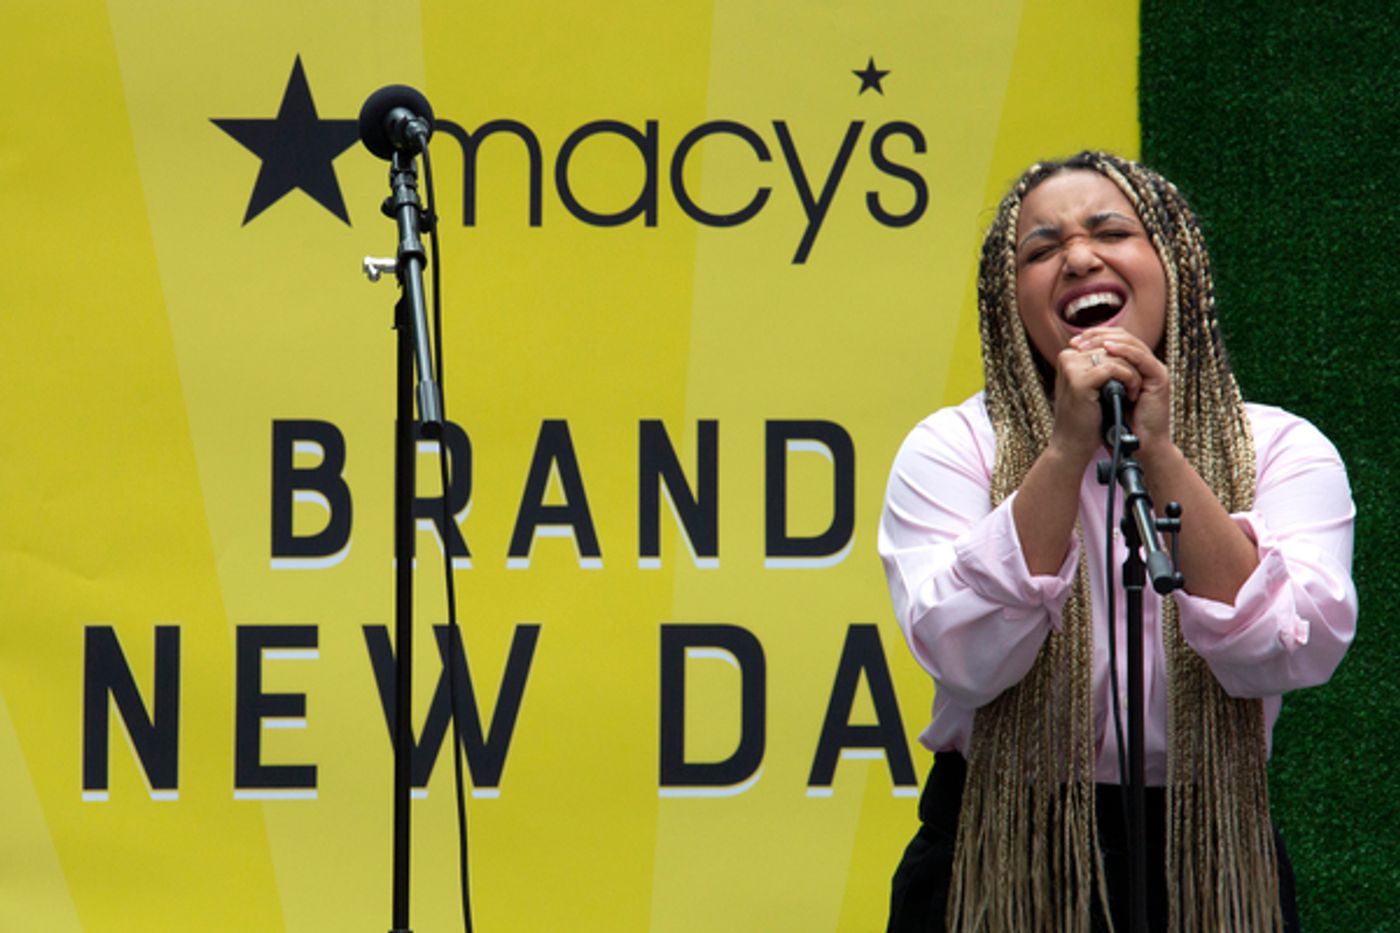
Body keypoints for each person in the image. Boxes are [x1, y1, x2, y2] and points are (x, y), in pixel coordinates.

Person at [878, 151, 1356, 932]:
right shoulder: (953, 447)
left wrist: (1161, 454)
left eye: (1109, 232)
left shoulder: (1279, 448)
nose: (1077, 258)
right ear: (1013, 299)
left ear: (1173, 262)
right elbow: (964, 654)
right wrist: (1065, 451)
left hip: (1208, 852)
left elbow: (1287, 649)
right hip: (1001, 841)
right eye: (1040, 249)